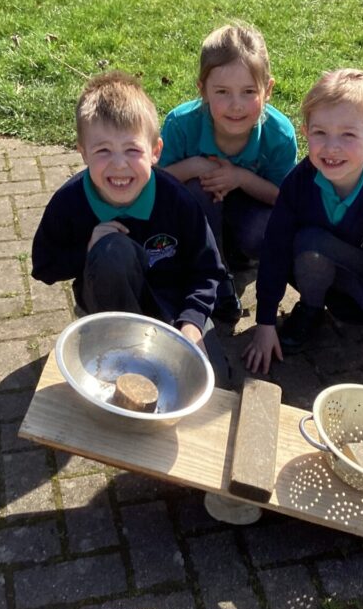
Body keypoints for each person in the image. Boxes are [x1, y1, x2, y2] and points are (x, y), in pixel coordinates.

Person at [243, 68, 363, 394]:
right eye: (320, 133)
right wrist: (264, 323)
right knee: (309, 243)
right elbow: (275, 251)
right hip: (319, 257)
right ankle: (312, 307)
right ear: (306, 133)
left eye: (348, 135)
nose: (331, 147)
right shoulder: (298, 183)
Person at [31, 70, 229, 383]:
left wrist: (191, 323)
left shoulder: (177, 200)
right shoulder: (68, 202)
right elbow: (44, 266)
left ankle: (164, 346)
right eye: (103, 151)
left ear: (155, 151)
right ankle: (115, 345)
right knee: (112, 252)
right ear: (83, 152)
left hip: (172, 308)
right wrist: (88, 250)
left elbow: (207, 270)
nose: (119, 164)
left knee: (213, 382)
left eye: (132, 150)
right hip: (110, 307)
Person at [158, 22, 298, 323]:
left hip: (250, 207)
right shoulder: (180, 124)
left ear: (268, 90)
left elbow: (284, 197)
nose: (236, 106)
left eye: (249, 92)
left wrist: (240, 177)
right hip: (197, 208)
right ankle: (215, 277)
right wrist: (196, 166)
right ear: (203, 90)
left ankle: (236, 252)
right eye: (222, 92)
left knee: (264, 233)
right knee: (198, 188)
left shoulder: (279, 134)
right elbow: (157, 182)